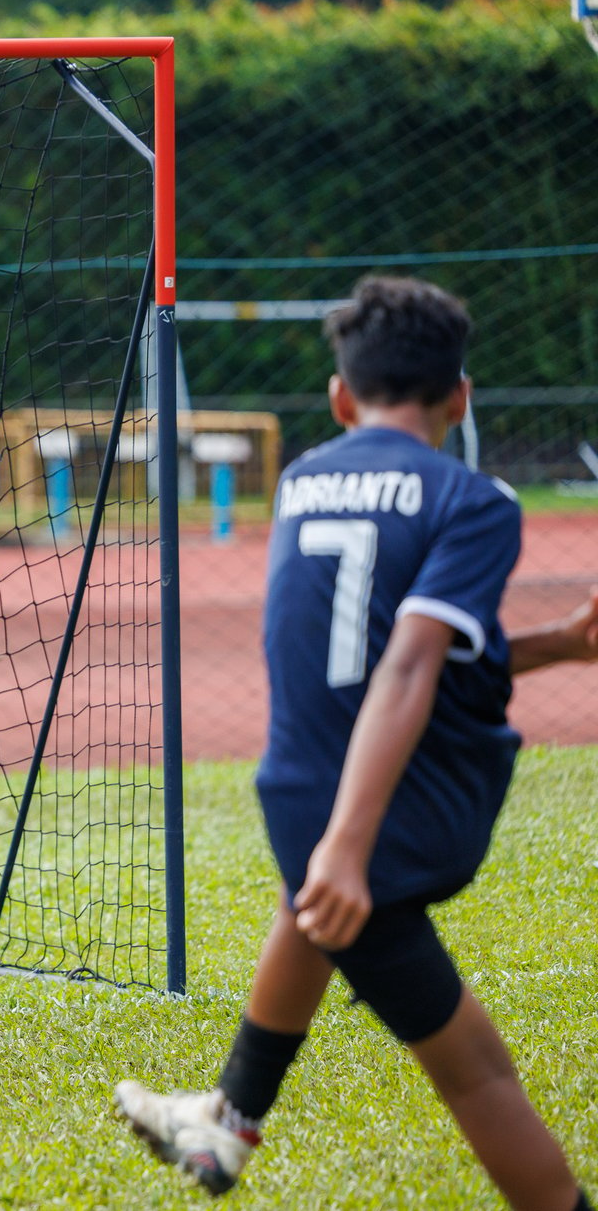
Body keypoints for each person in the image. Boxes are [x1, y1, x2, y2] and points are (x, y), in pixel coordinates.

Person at [114, 276, 598, 1206]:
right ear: (460, 397)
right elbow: (411, 666)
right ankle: (228, 1121)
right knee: (479, 1072)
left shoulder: (300, 481)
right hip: (400, 813)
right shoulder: (475, 499)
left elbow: (393, 658)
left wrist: (559, 646)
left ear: (341, 399)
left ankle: (228, 1121)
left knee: (312, 905)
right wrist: (350, 841)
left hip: (300, 791)